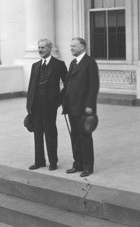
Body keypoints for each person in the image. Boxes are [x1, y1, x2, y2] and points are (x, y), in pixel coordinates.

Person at [26, 39, 67, 171]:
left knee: (50, 132)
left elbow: (67, 84)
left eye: (43, 47)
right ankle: (39, 161)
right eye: (39, 47)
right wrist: (29, 105)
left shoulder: (59, 64)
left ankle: (53, 161)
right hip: (36, 105)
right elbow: (31, 86)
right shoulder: (35, 65)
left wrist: (58, 100)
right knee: (37, 133)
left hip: (50, 105)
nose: (40, 50)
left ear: (50, 49)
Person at [62, 37, 99, 177]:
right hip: (72, 106)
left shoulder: (90, 63)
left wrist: (90, 105)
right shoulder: (73, 63)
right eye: (70, 46)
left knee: (85, 136)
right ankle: (77, 164)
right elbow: (68, 84)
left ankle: (88, 166)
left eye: (74, 46)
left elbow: (93, 86)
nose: (71, 48)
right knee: (75, 136)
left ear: (83, 47)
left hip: (84, 107)